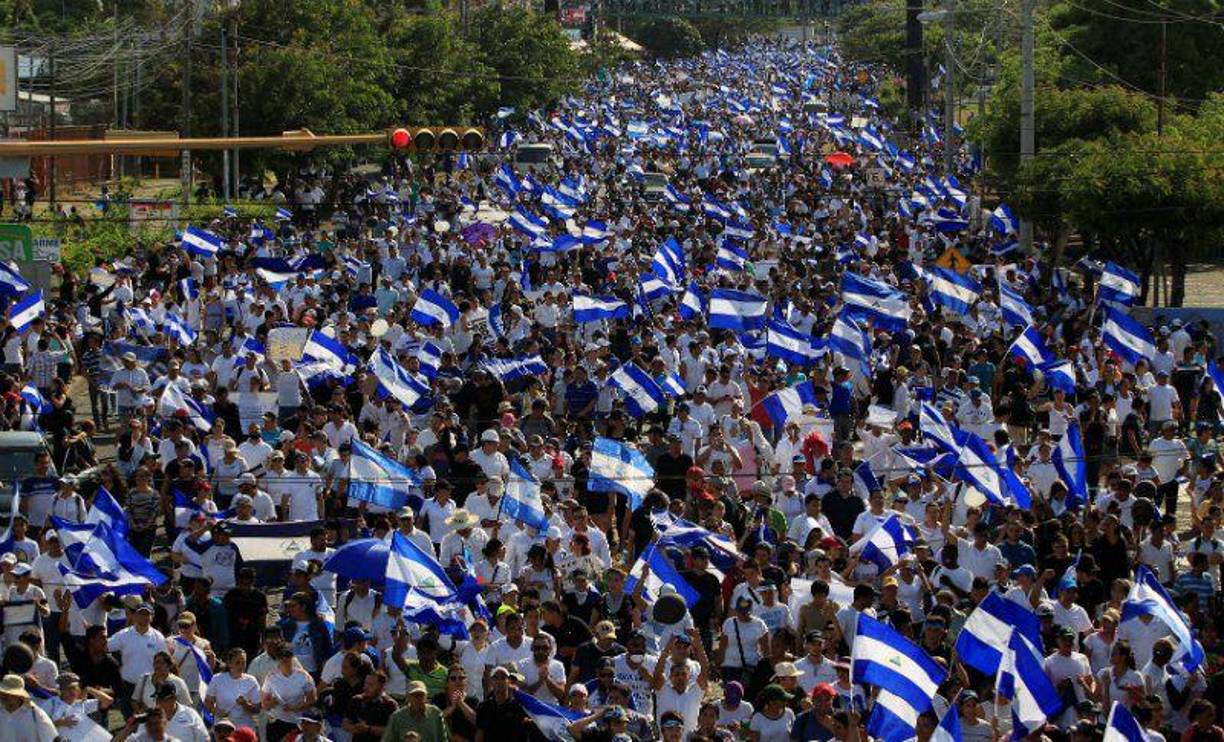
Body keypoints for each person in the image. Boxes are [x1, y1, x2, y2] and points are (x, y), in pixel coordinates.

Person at [381, 680, 447, 742]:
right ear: (408, 698)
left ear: (426, 697)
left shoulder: (435, 713)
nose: (418, 699)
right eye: (414, 695)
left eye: (421, 695)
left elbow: (443, 739)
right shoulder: (397, 718)